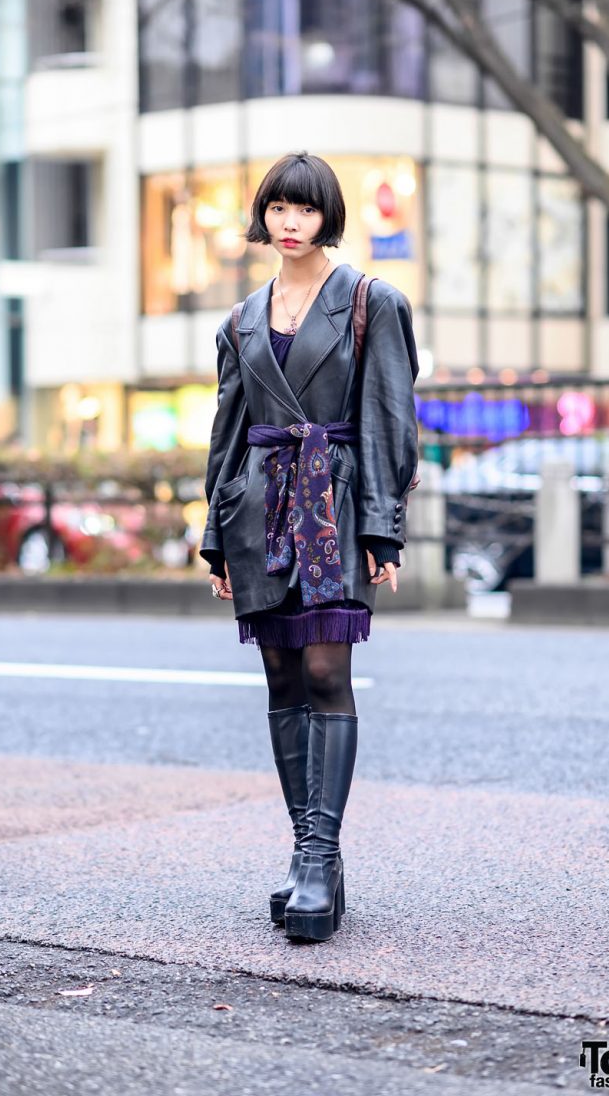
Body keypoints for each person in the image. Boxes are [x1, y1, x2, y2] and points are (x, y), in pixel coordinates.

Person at [200, 152, 419, 943]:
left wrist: (383, 527)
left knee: (327, 670)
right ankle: (303, 852)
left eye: (306, 210)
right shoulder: (239, 320)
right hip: (260, 510)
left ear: (329, 216)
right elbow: (228, 434)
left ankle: (322, 861)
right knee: (282, 675)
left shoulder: (370, 301)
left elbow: (391, 415)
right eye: (278, 210)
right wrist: (215, 538)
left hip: (335, 501)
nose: (290, 224)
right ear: (263, 217)